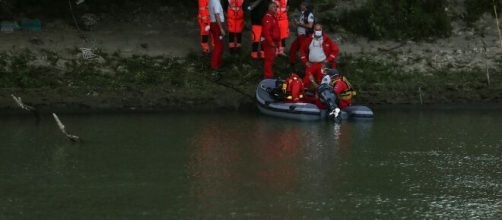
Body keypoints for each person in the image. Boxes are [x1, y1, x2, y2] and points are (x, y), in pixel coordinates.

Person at [300, 24, 340, 89]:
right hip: (311, 64)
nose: (318, 31)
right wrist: (305, 62)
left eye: (319, 30)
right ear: (314, 30)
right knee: (307, 79)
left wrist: (328, 60)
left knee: (321, 81)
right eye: (316, 29)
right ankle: (303, 94)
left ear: (322, 30)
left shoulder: (326, 39)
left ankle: (319, 96)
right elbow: (302, 51)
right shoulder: (308, 39)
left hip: (322, 65)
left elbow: (336, 50)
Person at [289, 1, 314, 66]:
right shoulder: (302, 14)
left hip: (305, 36)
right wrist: (298, 24)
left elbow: (310, 26)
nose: (300, 6)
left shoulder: (309, 14)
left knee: (304, 51)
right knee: (293, 47)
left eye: (302, 5)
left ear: (305, 6)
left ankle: (307, 67)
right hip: (300, 36)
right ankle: (292, 63)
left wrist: (300, 24)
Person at [261, 2, 280, 79]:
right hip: (269, 42)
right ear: (269, 8)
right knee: (269, 59)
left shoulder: (273, 17)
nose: (275, 8)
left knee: (271, 59)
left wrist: (277, 42)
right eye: (273, 7)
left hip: (273, 41)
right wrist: (271, 42)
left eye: (276, 7)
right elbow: (266, 32)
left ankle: (269, 74)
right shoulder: (268, 17)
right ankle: (268, 76)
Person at [209, 0, 226, 70]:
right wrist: (221, 28)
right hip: (217, 25)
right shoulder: (216, 2)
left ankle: (218, 63)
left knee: (219, 45)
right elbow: (217, 15)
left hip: (214, 24)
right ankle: (214, 65)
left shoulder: (211, 1)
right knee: (218, 46)